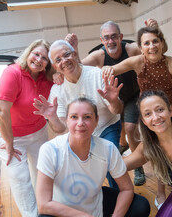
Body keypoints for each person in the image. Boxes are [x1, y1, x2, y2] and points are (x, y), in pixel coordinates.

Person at [102, 25, 172, 207]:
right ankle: (160, 192)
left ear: (162, 44)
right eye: (146, 43)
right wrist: (99, 71)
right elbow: (112, 69)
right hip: (151, 116)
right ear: (141, 48)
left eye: (155, 41)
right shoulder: (137, 62)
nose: (151, 47)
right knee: (157, 151)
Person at [61, 19, 158, 186]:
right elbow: (77, 66)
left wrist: (154, 31)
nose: (110, 41)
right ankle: (122, 144)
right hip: (111, 99)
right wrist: (73, 49)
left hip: (132, 96)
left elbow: (154, 51)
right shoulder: (99, 55)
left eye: (114, 37)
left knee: (129, 127)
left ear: (120, 37)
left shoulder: (132, 48)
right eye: (106, 38)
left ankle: (138, 167)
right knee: (117, 126)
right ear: (102, 40)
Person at [35, 97, 150, 217]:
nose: (80, 123)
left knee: (140, 206)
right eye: (74, 117)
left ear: (96, 121)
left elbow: (127, 189)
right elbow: (43, 205)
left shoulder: (107, 148)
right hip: (63, 212)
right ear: (67, 121)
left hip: (96, 207)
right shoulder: (50, 149)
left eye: (87, 117)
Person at [33, 40, 124, 189]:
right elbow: (61, 128)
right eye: (58, 59)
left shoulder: (97, 75)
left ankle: (120, 196)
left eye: (67, 55)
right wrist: (52, 117)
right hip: (81, 133)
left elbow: (117, 110)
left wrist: (114, 102)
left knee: (108, 162)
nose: (64, 61)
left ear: (74, 55)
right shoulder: (57, 89)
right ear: (55, 67)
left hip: (107, 126)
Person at [0, 39, 54, 217]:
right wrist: (9, 143)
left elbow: (70, 67)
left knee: (43, 171)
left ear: (48, 63)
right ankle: (32, 214)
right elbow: (0, 110)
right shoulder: (13, 73)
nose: (39, 59)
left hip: (37, 131)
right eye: (36, 54)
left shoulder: (47, 77)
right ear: (28, 53)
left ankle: (47, 207)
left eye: (44, 58)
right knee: (20, 177)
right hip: (10, 135)